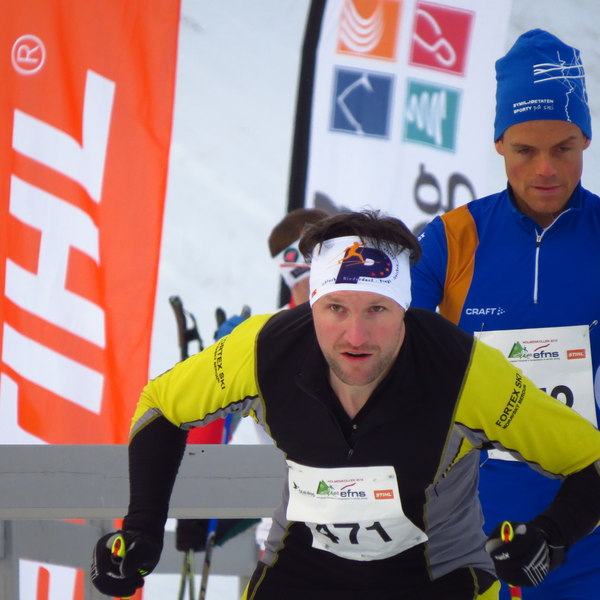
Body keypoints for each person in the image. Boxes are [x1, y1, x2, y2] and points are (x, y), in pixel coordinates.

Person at [90, 210, 600, 600]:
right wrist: (142, 530)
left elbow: (590, 460)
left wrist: (550, 538)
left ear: (405, 309)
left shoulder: (463, 370)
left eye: (377, 309)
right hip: (300, 575)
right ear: (311, 304)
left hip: (436, 580)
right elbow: (162, 407)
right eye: (336, 308)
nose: (356, 336)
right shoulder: (262, 349)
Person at [410, 29, 600, 600]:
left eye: (563, 148)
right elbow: (391, 354)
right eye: (524, 150)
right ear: (498, 144)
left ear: (586, 139)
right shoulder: (452, 238)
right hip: (468, 533)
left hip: (588, 531)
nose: (545, 169)